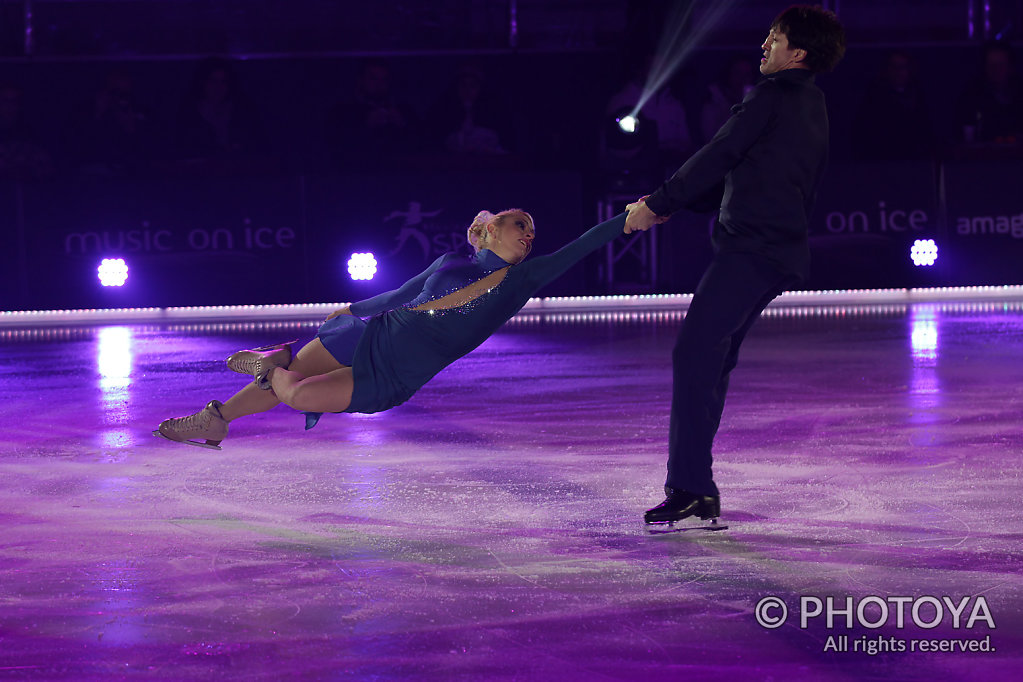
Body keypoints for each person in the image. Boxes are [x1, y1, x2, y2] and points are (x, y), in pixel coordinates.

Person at [624, 5, 846, 527]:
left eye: (776, 36)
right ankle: (694, 487)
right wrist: (669, 206)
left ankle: (691, 487)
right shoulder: (809, 104)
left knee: (696, 354)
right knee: (709, 360)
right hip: (774, 253)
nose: (764, 43)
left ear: (799, 53)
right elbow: (744, 176)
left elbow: (716, 157)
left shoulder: (771, 98)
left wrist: (657, 202)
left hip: (754, 250)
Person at [154, 209, 629, 448]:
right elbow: (402, 294)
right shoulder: (450, 261)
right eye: (519, 224)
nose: (529, 233)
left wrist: (632, 218)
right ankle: (218, 419)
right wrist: (352, 308)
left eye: (532, 231)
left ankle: (270, 362)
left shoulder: (524, 279)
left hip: (395, 374)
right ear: (488, 232)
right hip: (375, 330)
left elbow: (584, 244)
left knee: (296, 391)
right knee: (298, 370)